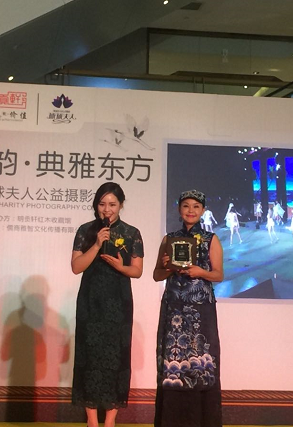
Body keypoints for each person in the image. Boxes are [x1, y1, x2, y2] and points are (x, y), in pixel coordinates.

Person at [70, 182, 144, 427]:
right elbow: (76, 267)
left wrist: (121, 267)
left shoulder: (132, 233)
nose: (107, 209)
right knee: (90, 357)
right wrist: (96, 244)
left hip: (119, 303)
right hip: (91, 301)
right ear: (96, 205)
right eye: (102, 204)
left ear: (121, 205)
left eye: (112, 204)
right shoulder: (86, 230)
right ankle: (92, 420)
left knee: (116, 357)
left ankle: (110, 419)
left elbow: (137, 271)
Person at [153, 190, 224, 427]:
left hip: (201, 309)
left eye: (196, 206)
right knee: (172, 362)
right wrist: (167, 267)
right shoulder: (169, 239)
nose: (190, 210)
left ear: (203, 210)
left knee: (200, 362)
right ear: (179, 209)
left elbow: (218, 274)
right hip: (174, 307)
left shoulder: (211, 239)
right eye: (186, 206)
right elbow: (156, 275)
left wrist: (201, 272)